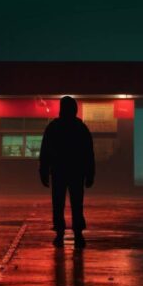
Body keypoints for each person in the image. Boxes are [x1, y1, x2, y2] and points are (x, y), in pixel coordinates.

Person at [39, 96, 95, 247]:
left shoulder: (53, 127)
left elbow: (45, 152)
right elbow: (88, 153)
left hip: (58, 171)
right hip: (77, 172)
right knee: (77, 203)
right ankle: (78, 233)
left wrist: (44, 171)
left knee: (58, 203)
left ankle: (60, 233)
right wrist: (90, 174)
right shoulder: (80, 128)